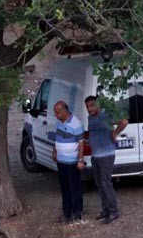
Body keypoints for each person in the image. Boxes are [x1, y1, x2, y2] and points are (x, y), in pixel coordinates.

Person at [85, 96, 128, 224]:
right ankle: (106, 210)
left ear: (98, 104)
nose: (90, 108)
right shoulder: (90, 118)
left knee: (105, 182)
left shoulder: (106, 115)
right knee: (99, 183)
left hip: (106, 155)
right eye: (87, 106)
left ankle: (114, 211)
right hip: (96, 155)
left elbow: (124, 121)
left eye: (92, 105)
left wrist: (115, 133)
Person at [52, 100, 86, 223]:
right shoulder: (58, 123)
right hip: (61, 160)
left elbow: (81, 143)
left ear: (65, 111)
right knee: (64, 187)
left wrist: (80, 160)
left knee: (74, 187)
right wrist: (54, 151)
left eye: (57, 112)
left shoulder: (76, 124)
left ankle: (77, 212)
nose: (55, 115)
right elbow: (57, 138)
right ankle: (66, 212)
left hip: (72, 161)